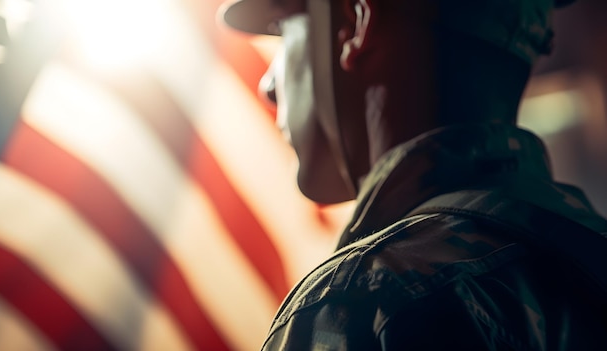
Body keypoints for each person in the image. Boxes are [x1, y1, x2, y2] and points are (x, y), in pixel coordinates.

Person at [221, 0, 607, 349]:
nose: (268, 86)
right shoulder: (586, 254)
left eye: (281, 27)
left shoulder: (365, 301)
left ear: (356, 22)